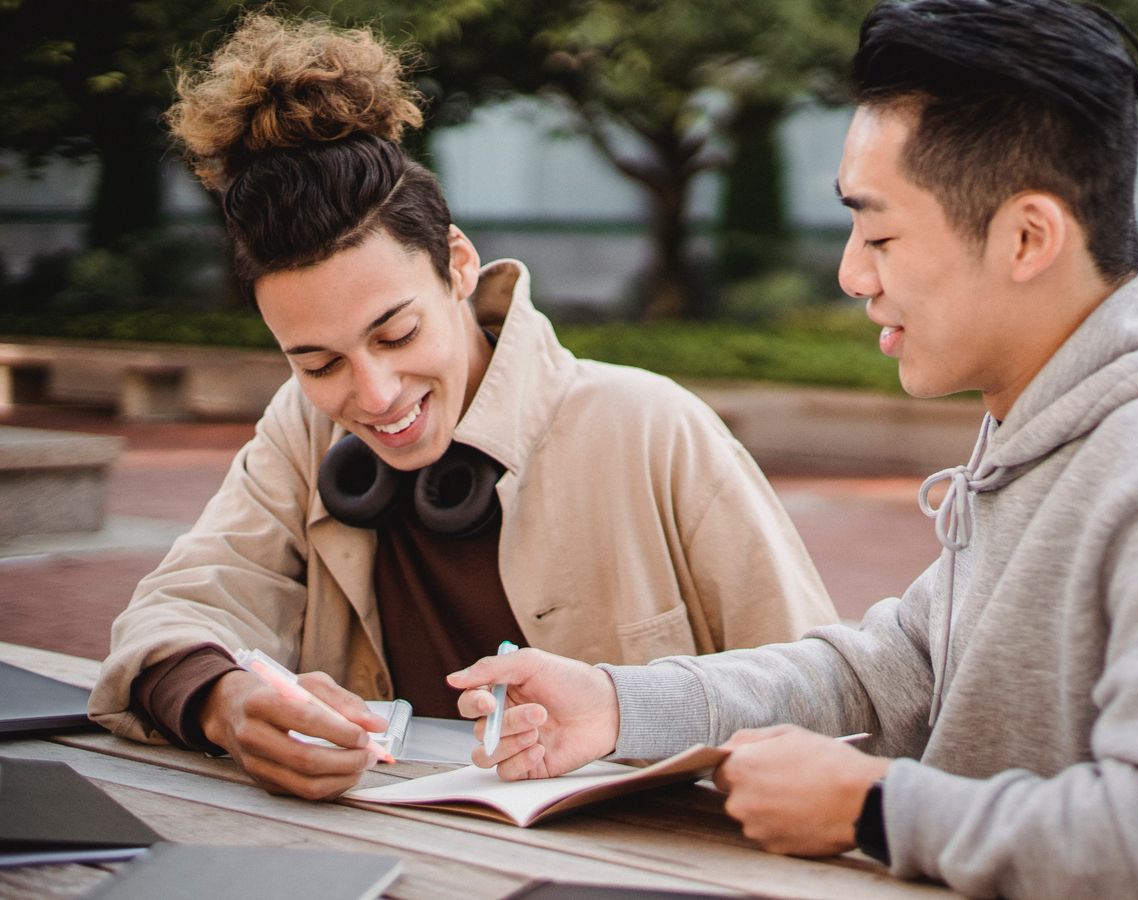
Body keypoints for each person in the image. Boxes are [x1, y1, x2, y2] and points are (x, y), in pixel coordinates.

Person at [446, 0, 1138, 896]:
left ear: (1026, 236)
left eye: (880, 232)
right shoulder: (1054, 421)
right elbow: (897, 666)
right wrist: (617, 706)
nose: (853, 273)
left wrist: (874, 809)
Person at [87, 14, 836, 802]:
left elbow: (826, 692)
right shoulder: (303, 428)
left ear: (459, 265)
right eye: (318, 362)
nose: (372, 396)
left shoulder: (652, 426)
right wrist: (223, 702)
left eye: (398, 332)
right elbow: (173, 612)